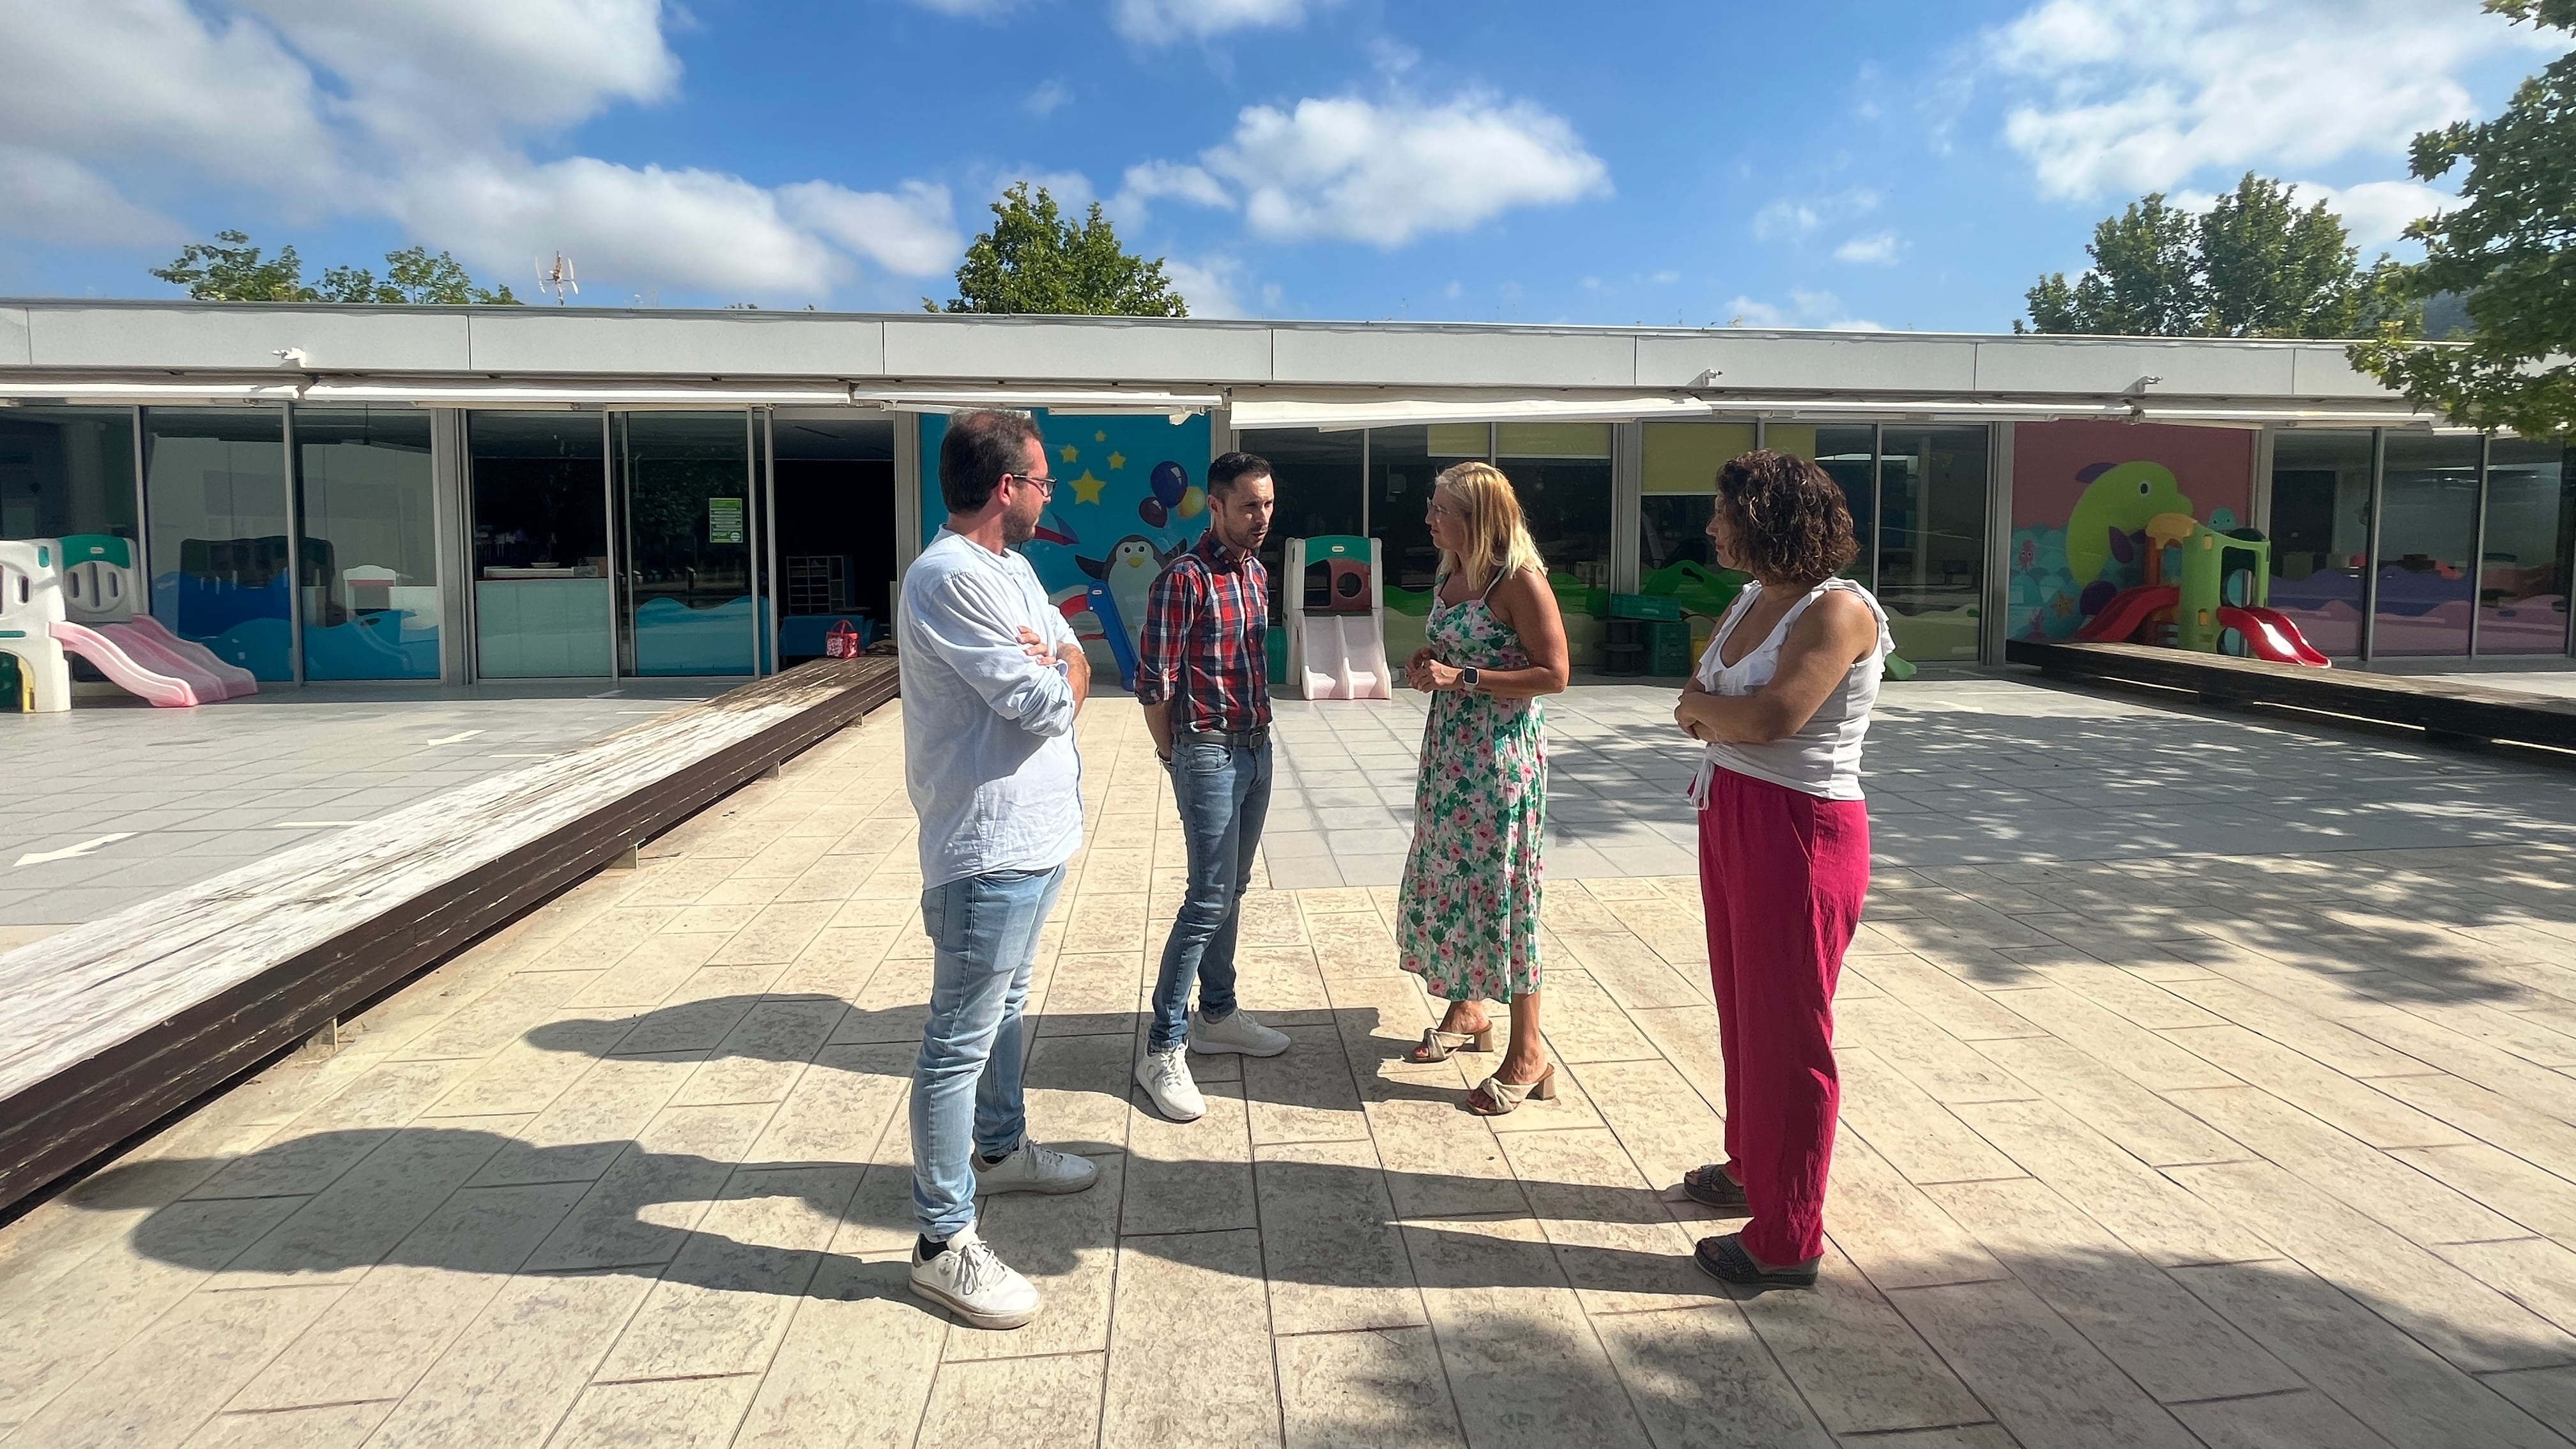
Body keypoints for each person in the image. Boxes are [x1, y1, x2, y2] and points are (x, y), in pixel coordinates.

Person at [897, 409, 1102, 1330]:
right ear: (1004, 488)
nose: (1048, 496)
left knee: (1010, 1006)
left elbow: (1062, 661)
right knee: (959, 1039)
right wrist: (1060, 665)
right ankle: (944, 1241)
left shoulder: (1013, 569)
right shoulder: (947, 577)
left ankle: (1002, 1148)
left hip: (1038, 837)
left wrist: (1059, 657)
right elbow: (1042, 699)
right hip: (985, 849)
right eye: (1042, 482)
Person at [1669, 449, 1893, 1290]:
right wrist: (1712, 716)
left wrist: (1709, 716)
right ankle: (1752, 1164)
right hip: (1730, 812)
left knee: (1790, 1030)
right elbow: (1696, 697)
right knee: (1743, 1007)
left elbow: (1771, 717)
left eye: (1723, 512)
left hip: (1802, 834)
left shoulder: (1838, 613)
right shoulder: (1750, 600)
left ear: (1766, 517)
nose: (1711, 526)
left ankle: (1788, 1234)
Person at [1394, 461, 1570, 1114]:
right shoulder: (1453, 570)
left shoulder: (1518, 579)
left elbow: (1554, 674)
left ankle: (1529, 1052)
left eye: (1441, 510)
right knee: (1452, 878)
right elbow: (1453, 648)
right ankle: (1469, 1008)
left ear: (1477, 518)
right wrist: (1425, 662)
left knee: (1504, 890)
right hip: (1451, 760)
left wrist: (1461, 677)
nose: (1430, 519)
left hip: (1499, 764)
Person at [1131, 451, 1293, 1121]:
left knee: (1235, 889)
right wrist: (1179, 757)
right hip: (1208, 752)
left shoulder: (1256, 572)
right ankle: (1162, 1047)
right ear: (1215, 504)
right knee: (1206, 899)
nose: (1262, 519)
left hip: (1257, 749)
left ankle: (1217, 1014)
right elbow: (1153, 686)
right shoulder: (1184, 580)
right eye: (1250, 506)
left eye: (1269, 505)